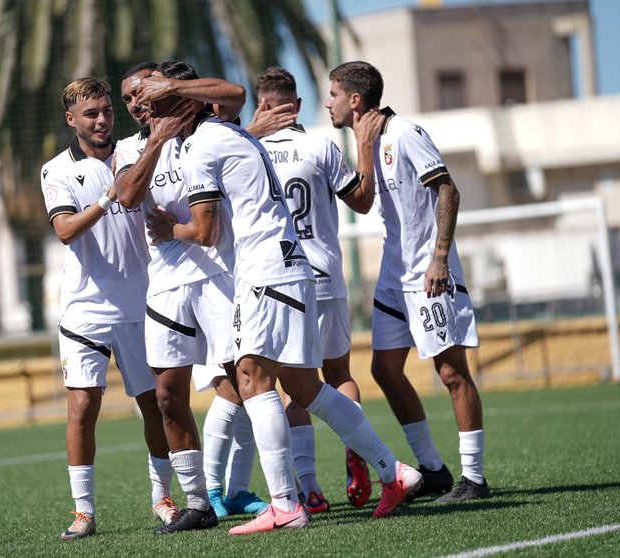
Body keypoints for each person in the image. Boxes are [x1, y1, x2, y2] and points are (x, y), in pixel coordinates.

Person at [145, 60, 423, 536]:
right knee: (306, 387)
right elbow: (232, 93)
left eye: (157, 108)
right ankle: (393, 472)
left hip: (264, 269)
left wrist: (167, 228)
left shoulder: (200, 147)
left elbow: (207, 233)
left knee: (251, 377)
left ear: (181, 106)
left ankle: (285, 504)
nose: (151, 118)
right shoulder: (231, 132)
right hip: (294, 266)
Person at [326, 60, 490, 502]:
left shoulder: (406, 134)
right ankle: (433, 470)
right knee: (384, 369)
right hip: (392, 279)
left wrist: (439, 259)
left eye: (333, 94)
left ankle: (474, 478)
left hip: (428, 276)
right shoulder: (366, 142)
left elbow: (448, 191)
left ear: (354, 100)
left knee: (452, 373)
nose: (328, 103)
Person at [116, 62, 267, 534]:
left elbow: (237, 92)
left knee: (247, 381)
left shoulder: (205, 127)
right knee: (166, 396)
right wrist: (157, 139)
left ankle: (281, 490)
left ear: (160, 85)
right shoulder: (130, 147)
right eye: (127, 98)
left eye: (141, 89)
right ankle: (198, 503)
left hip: (220, 274)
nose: (135, 101)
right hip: (164, 282)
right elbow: (125, 194)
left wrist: (175, 93)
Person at [40, 77, 178, 542]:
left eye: (105, 110)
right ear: (71, 120)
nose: (102, 120)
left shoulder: (135, 152)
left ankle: (163, 499)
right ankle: (84, 512)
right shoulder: (56, 170)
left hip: (143, 303)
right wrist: (106, 197)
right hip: (85, 310)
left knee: (154, 405)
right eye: (91, 114)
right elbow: (64, 230)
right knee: (82, 406)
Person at [252, 66, 378, 513]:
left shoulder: (250, 151)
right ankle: (357, 449)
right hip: (325, 274)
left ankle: (309, 487)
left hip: (279, 279)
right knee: (339, 374)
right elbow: (361, 201)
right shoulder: (320, 145)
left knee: (292, 385)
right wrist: (363, 146)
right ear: (297, 105)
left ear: (260, 105)